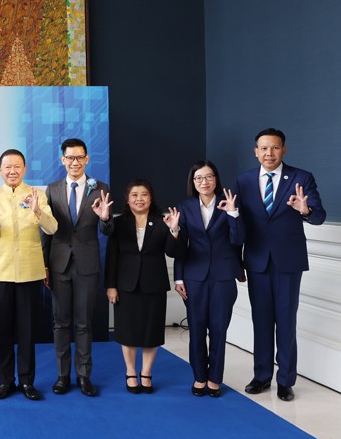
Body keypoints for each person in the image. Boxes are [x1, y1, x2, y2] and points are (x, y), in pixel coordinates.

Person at [236, 128, 325, 402]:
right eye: (264, 148)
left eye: (275, 148)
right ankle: (262, 376)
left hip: (288, 261)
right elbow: (238, 223)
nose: (269, 153)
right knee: (261, 321)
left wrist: (305, 210)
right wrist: (237, 261)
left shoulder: (302, 177)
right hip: (257, 261)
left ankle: (285, 380)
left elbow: (319, 216)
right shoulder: (244, 180)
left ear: (283, 149)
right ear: (256, 151)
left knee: (286, 321)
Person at [0, 149, 58, 400]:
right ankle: (5, 381)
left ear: (24, 169)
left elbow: (52, 228)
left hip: (29, 272)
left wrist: (37, 211)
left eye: (17, 166)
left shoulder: (37, 195)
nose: (12, 171)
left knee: (27, 331)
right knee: (2, 331)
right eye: (7, 167)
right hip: (0, 273)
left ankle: (26, 382)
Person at [42, 138, 113, 397]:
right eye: (70, 157)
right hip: (58, 264)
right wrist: (44, 265)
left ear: (87, 159)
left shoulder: (100, 188)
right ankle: (63, 376)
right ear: (63, 160)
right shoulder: (52, 189)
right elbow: (46, 232)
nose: (75, 162)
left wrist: (105, 218)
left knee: (84, 323)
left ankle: (84, 376)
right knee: (60, 323)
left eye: (79, 157)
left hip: (87, 265)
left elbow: (107, 230)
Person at [173, 160, 244, 398]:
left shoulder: (229, 203)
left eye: (209, 176)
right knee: (196, 329)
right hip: (194, 276)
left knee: (218, 330)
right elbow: (182, 247)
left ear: (216, 179)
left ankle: (215, 378)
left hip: (223, 276)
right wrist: (179, 278)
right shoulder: (185, 207)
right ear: (193, 182)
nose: (204, 182)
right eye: (199, 178)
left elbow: (238, 240)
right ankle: (199, 377)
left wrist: (233, 214)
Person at [105, 180, 180, 394]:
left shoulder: (162, 221)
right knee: (127, 332)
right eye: (134, 195)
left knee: (151, 332)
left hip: (153, 284)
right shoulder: (118, 223)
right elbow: (112, 256)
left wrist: (174, 230)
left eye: (144, 194)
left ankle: (146, 372)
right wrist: (111, 286)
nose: (139, 199)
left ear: (151, 198)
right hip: (125, 285)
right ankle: (130, 372)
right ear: (127, 199)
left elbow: (173, 252)